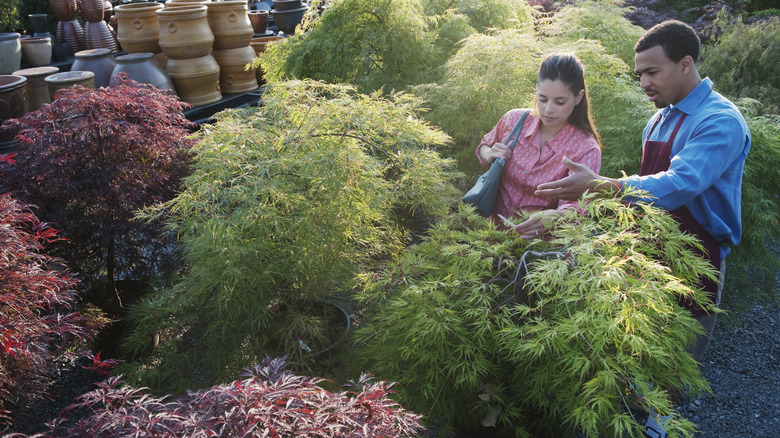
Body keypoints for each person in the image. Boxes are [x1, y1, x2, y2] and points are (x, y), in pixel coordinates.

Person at [534, 20, 751, 438]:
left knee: (679, 359)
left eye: (652, 72)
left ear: (685, 64)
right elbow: (645, 187)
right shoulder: (661, 119)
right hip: (644, 247)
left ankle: (660, 425)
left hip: (696, 256)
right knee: (637, 342)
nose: (644, 83)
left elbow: (680, 184)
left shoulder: (718, 120)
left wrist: (605, 186)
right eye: (639, 75)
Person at [476, 53, 601, 239]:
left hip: (536, 250)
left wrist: (555, 217)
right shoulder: (514, 120)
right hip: (487, 235)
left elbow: (576, 205)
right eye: (542, 99)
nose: (548, 109)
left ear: (578, 97)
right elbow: (484, 146)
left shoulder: (585, 149)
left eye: (559, 102)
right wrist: (490, 155)